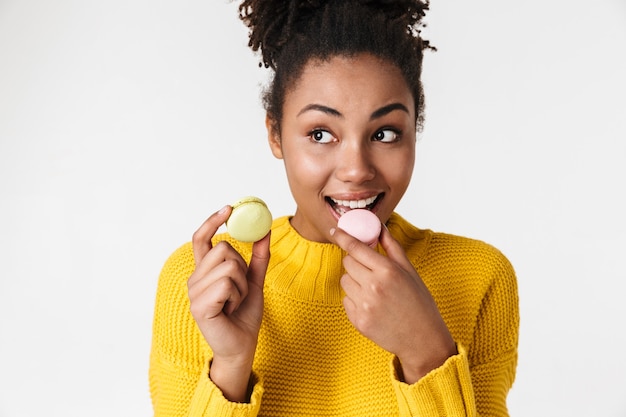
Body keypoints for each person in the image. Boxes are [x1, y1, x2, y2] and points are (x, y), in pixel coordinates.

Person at [149, 0, 519, 415]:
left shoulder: (478, 277)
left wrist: (427, 354)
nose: (357, 170)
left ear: (414, 133)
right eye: (321, 134)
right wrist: (231, 367)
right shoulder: (202, 284)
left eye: (384, 133)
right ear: (276, 134)